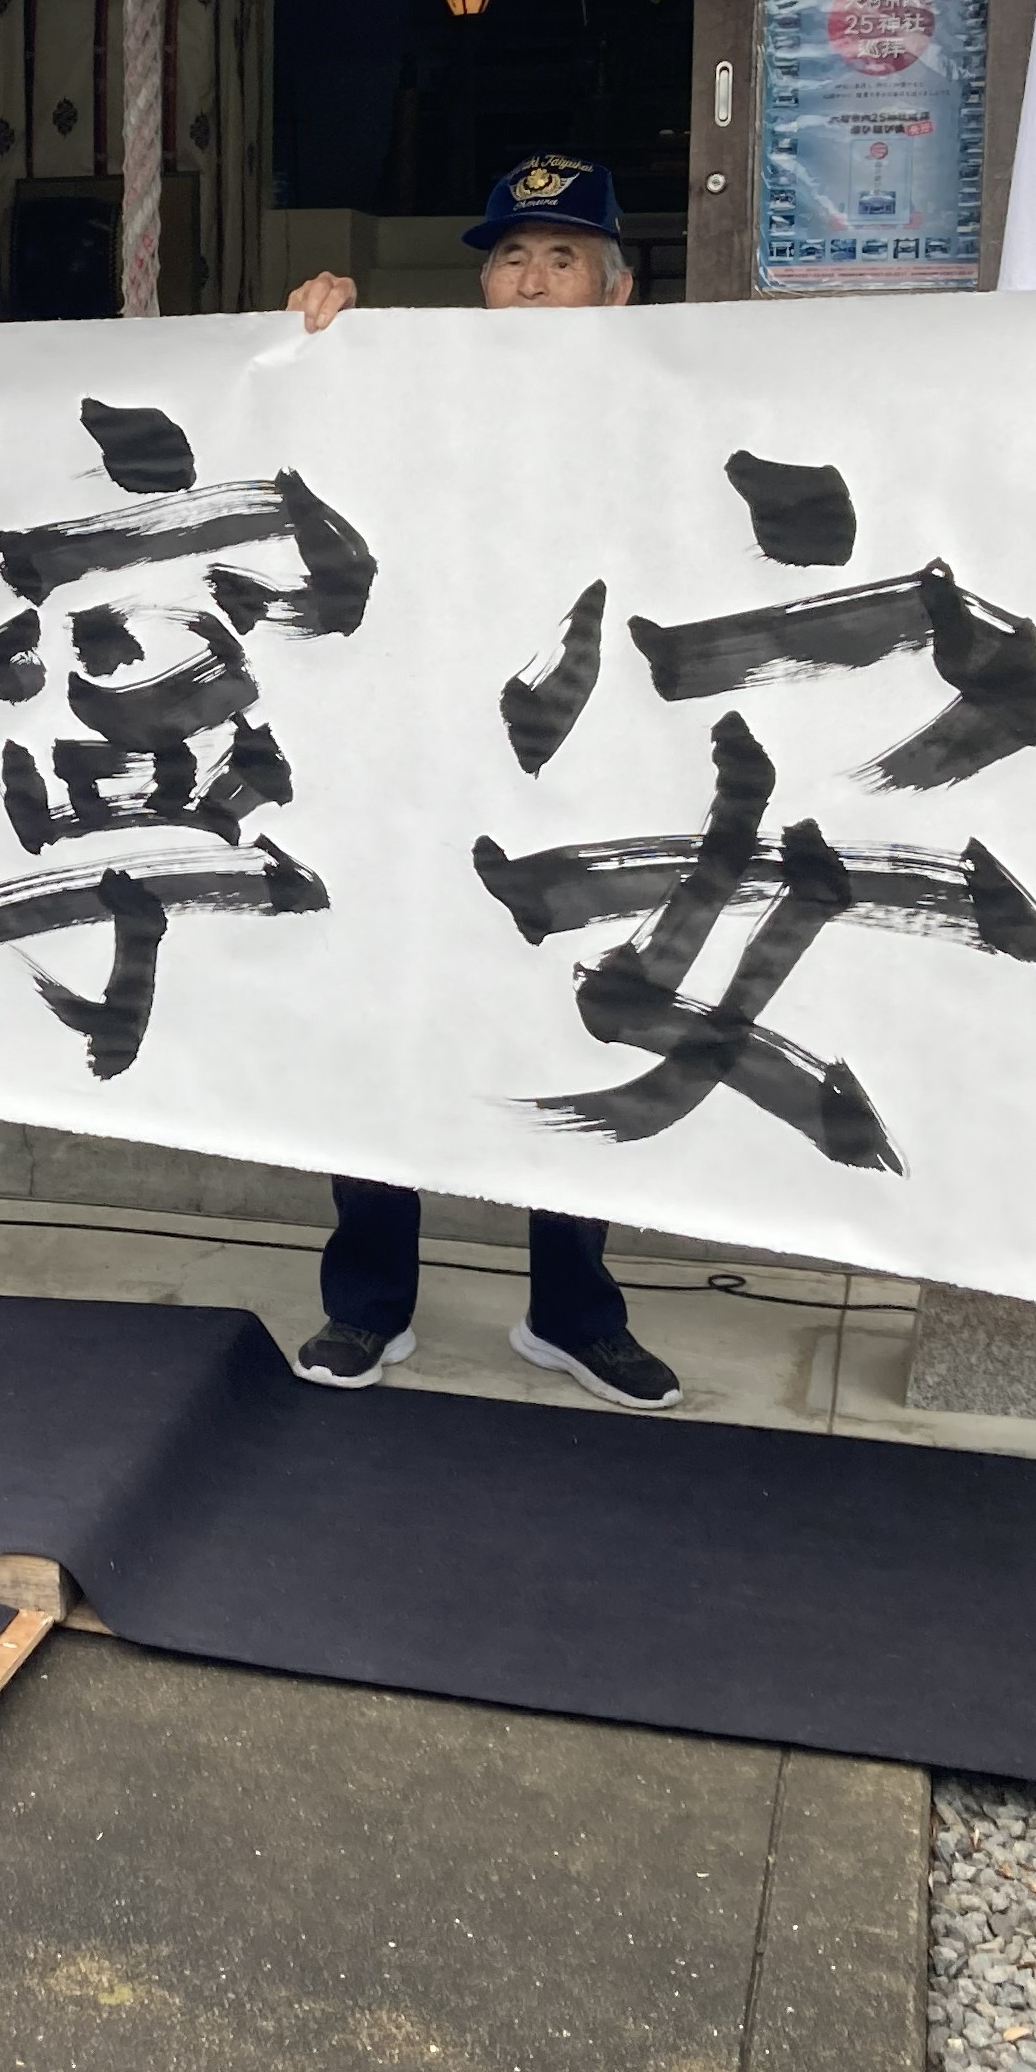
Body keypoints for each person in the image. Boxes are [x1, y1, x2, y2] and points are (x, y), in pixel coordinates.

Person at [278, 153, 686, 1414]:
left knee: (570, 1014)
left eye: (565, 258)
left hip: (586, 759)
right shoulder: (418, 389)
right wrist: (323, 344)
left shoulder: (673, 404)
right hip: (423, 758)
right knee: (391, 1011)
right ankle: (368, 1303)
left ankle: (574, 1312)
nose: (533, 281)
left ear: (618, 289)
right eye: (512, 257)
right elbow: (308, 465)